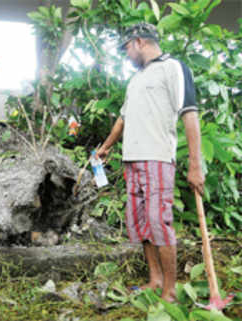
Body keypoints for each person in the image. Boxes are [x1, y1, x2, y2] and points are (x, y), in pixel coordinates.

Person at [96, 23, 205, 302]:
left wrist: (195, 164)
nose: (126, 55)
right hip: (131, 160)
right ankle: (155, 280)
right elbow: (124, 118)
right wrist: (106, 147)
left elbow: (189, 115)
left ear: (140, 41)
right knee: (141, 224)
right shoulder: (135, 80)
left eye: (127, 48)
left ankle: (170, 289)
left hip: (157, 159)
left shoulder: (173, 68)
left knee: (159, 222)